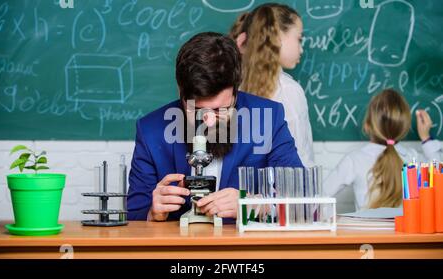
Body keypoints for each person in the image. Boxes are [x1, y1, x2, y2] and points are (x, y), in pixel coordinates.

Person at [127, 32, 303, 221]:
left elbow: (303, 200)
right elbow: (134, 216)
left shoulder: (268, 119)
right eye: (197, 109)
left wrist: (258, 205)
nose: (209, 121)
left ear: (236, 91)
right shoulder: (150, 131)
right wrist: (152, 213)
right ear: (180, 90)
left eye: (221, 109)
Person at [324, 89, 442, 210]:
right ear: (404, 128)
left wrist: (328, 223)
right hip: (407, 229)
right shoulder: (413, 158)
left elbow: (320, 195)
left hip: (365, 229)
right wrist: (426, 137)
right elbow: (438, 179)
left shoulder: (354, 160)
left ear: (367, 125)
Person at [230, 3, 315, 167]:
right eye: (299, 39)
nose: (301, 49)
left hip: (240, 190)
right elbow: (301, 158)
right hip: (284, 188)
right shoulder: (289, 91)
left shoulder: (232, 86)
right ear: (277, 38)